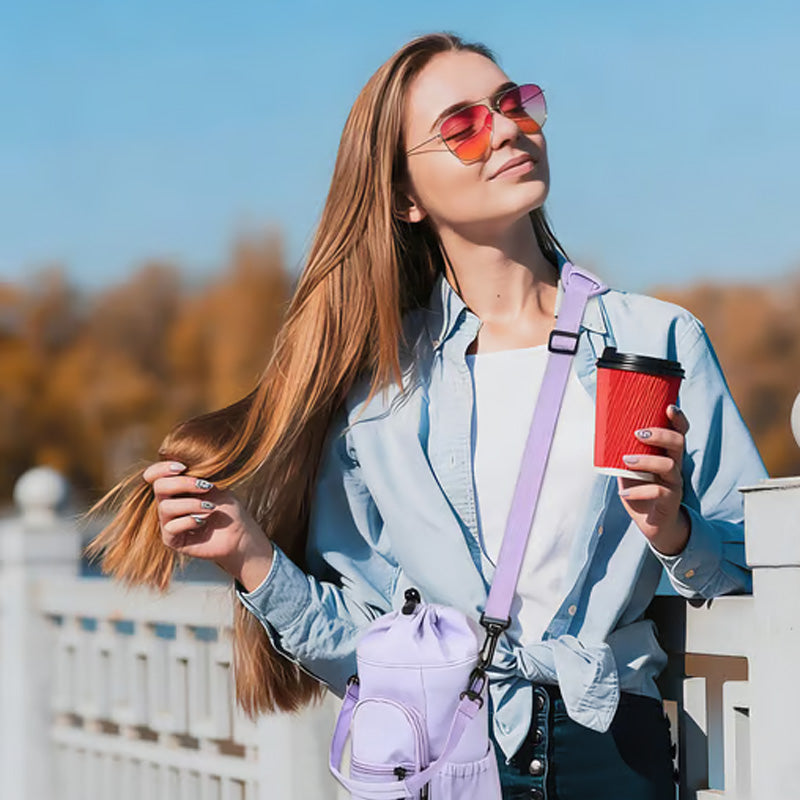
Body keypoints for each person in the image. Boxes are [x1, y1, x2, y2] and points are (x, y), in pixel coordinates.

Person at [88, 32, 767, 800]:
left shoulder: (655, 341)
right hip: (441, 753)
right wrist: (249, 558)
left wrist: (672, 530)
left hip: (610, 751)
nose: (508, 128)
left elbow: (755, 569)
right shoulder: (381, 388)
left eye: (514, 105)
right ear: (404, 196)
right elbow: (366, 641)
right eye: (463, 125)